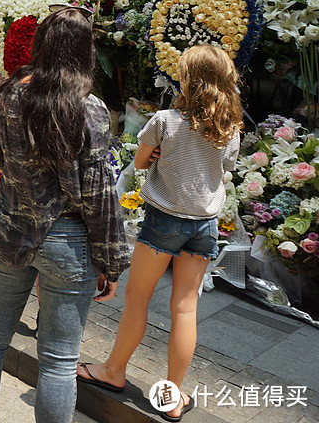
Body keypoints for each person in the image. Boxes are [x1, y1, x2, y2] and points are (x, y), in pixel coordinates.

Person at [0, 6, 130, 423]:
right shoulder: (90, 109)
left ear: (40, 44)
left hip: (10, 228)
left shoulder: (7, 92)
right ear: (84, 52)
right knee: (58, 363)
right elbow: (99, 196)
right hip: (70, 243)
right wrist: (111, 262)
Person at [78, 45, 242, 423]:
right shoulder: (230, 127)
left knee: (137, 300)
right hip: (205, 225)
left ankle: (113, 371)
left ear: (188, 79)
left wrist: (158, 157)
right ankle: (172, 395)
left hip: (163, 220)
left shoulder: (166, 120)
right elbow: (225, 167)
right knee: (185, 308)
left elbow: (139, 162)